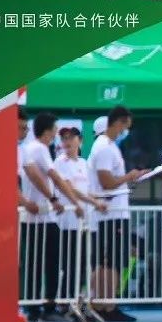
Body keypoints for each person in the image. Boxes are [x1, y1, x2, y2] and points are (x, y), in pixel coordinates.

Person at [19, 113, 84, 322]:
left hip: (40, 217)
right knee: (49, 263)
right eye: (55, 130)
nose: (56, 134)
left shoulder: (29, 149)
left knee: (36, 264)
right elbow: (54, 178)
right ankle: (45, 306)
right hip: (42, 217)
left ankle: (36, 306)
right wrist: (65, 200)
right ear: (48, 131)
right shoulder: (39, 148)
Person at [88, 105, 148, 322]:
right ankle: (105, 304)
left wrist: (131, 178)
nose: (126, 131)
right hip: (110, 213)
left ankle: (105, 304)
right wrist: (129, 176)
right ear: (118, 123)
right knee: (111, 261)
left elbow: (112, 182)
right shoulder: (104, 146)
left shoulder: (110, 146)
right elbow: (106, 182)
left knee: (111, 261)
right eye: (126, 126)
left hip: (114, 212)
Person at [53, 127, 107, 310]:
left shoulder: (84, 164)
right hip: (68, 223)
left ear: (80, 141)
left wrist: (98, 200)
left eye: (71, 138)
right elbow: (69, 188)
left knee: (85, 264)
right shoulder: (60, 162)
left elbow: (87, 190)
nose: (67, 142)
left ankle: (77, 300)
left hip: (86, 223)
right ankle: (65, 302)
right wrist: (91, 202)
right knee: (69, 264)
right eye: (64, 139)